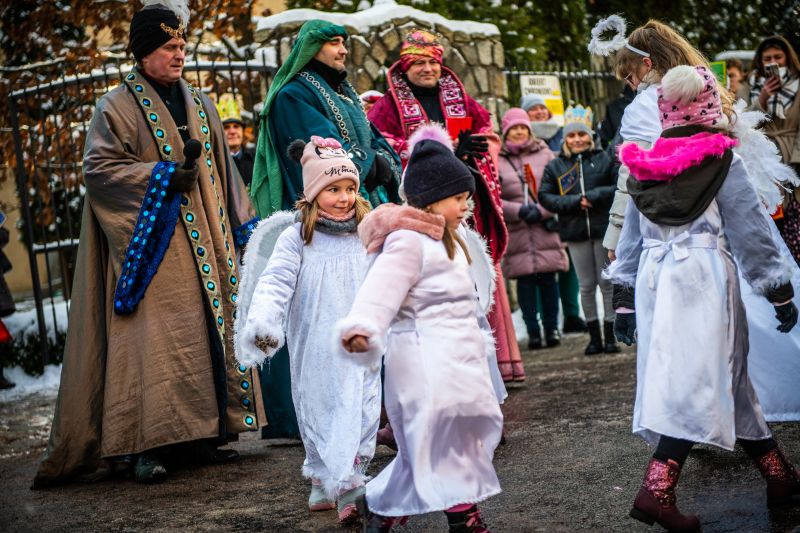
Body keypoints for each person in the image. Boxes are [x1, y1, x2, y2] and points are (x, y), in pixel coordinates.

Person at [33, 2, 263, 487]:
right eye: (167, 47)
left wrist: (246, 232)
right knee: (153, 342)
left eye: (181, 46)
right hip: (153, 244)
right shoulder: (114, 107)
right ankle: (146, 445)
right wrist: (159, 178)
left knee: (205, 332)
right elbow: (98, 171)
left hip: (209, 239)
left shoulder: (199, 103)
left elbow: (224, 174)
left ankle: (206, 436)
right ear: (142, 53)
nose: (178, 55)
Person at [608, 64, 800, 532]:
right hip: (703, 278)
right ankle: (656, 489)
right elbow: (751, 233)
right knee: (698, 379)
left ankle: (779, 477)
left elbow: (632, 235)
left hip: (657, 279)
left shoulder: (645, 162)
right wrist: (777, 291)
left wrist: (625, 297)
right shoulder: (723, 162)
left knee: (726, 376)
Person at [592, 18, 800, 423]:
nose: (630, 84)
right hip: (723, 224)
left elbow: (633, 181)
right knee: (741, 323)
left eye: (629, 74)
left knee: (686, 339)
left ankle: (693, 421)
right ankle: (754, 414)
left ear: (646, 63)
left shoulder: (646, 105)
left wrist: (616, 236)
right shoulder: (705, 94)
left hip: (676, 236)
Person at [338, 124, 502, 533]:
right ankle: (459, 518)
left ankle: (390, 510)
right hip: (423, 358)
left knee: (450, 441)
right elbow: (381, 290)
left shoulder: (451, 238)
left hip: (457, 356)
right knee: (435, 441)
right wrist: (364, 326)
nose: (467, 206)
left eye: (468, 198)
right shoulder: (408, 242)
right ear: (430, 199)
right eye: (459, 198)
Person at [251, 20, 402, 440]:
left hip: (357, 209)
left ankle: (372, 412)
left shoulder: (343, 92)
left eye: (343, 42)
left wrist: (386, 160)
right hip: (323, 219)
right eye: (332, 42)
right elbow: (324, 152)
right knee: (315, 321)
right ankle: (300, 421)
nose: (341, 49)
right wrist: (372, 163)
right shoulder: (293, 95)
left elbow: (371, 136)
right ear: (310, 48)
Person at [236, 136, 378, 524]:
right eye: (333, 189)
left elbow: (388, 273)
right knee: (318, 406)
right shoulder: (297, 237)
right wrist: (265, 320)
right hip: (314, 343)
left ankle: (350, 481)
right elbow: (275, 281)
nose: (345, 197)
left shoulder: (367, 230)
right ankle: (321, 472)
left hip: (361, 340)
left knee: (363, 408)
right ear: (314, 193)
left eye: (350, 188)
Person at [369, 29, 523, 382]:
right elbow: (385, 144)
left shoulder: (460, 98)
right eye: (419, 63)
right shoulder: (387, 107)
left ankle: (494, 363)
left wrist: (478, 150)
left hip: (466, 207)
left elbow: (488, 132)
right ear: (405, 67)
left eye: (433, 62)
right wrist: (444, 152)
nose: (427, 69)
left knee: (476, 269)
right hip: (421, 212)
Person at [539, 105, 620, 355]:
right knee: (586, 285)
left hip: (601, 230)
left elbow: (617, 186)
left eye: (581, 134)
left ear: (590, 136)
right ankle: (593, 336)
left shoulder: (604, 159)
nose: (577, 140)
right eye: (572, 135)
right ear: (565, 139)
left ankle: (610, 335)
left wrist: (594, 196)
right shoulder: (556, 166)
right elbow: (545, 196)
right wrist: (575, 202)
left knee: (606, 283)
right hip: (575, 232)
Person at [497, 108, 567, 349]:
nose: (518, 132)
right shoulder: (498, 159)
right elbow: (494, 196)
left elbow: (561, 188)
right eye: (513, 129)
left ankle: (552, 328)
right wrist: (517, 211)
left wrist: (543, 209)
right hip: (518, 230)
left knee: (549, 281)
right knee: (525, 284)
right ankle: (533, 331)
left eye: (522, 128)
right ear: (505, 133)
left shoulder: (546, 155)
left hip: (543, 227)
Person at [747, 35, 800, 265]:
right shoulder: (749, 86)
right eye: (767, 58)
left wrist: (796, 161)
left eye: (778, 57)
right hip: (765, 160)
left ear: (788, 58)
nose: (773, 62)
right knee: (773, 223)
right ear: (760, 61)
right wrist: (763, 98)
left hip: (794, 156)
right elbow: (745, 122)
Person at [217, 95, 255, 188]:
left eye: (236, 126)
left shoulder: (255, 157)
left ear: (243, 131)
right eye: (226, 127)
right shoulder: (216, 162)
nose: (232, 132)